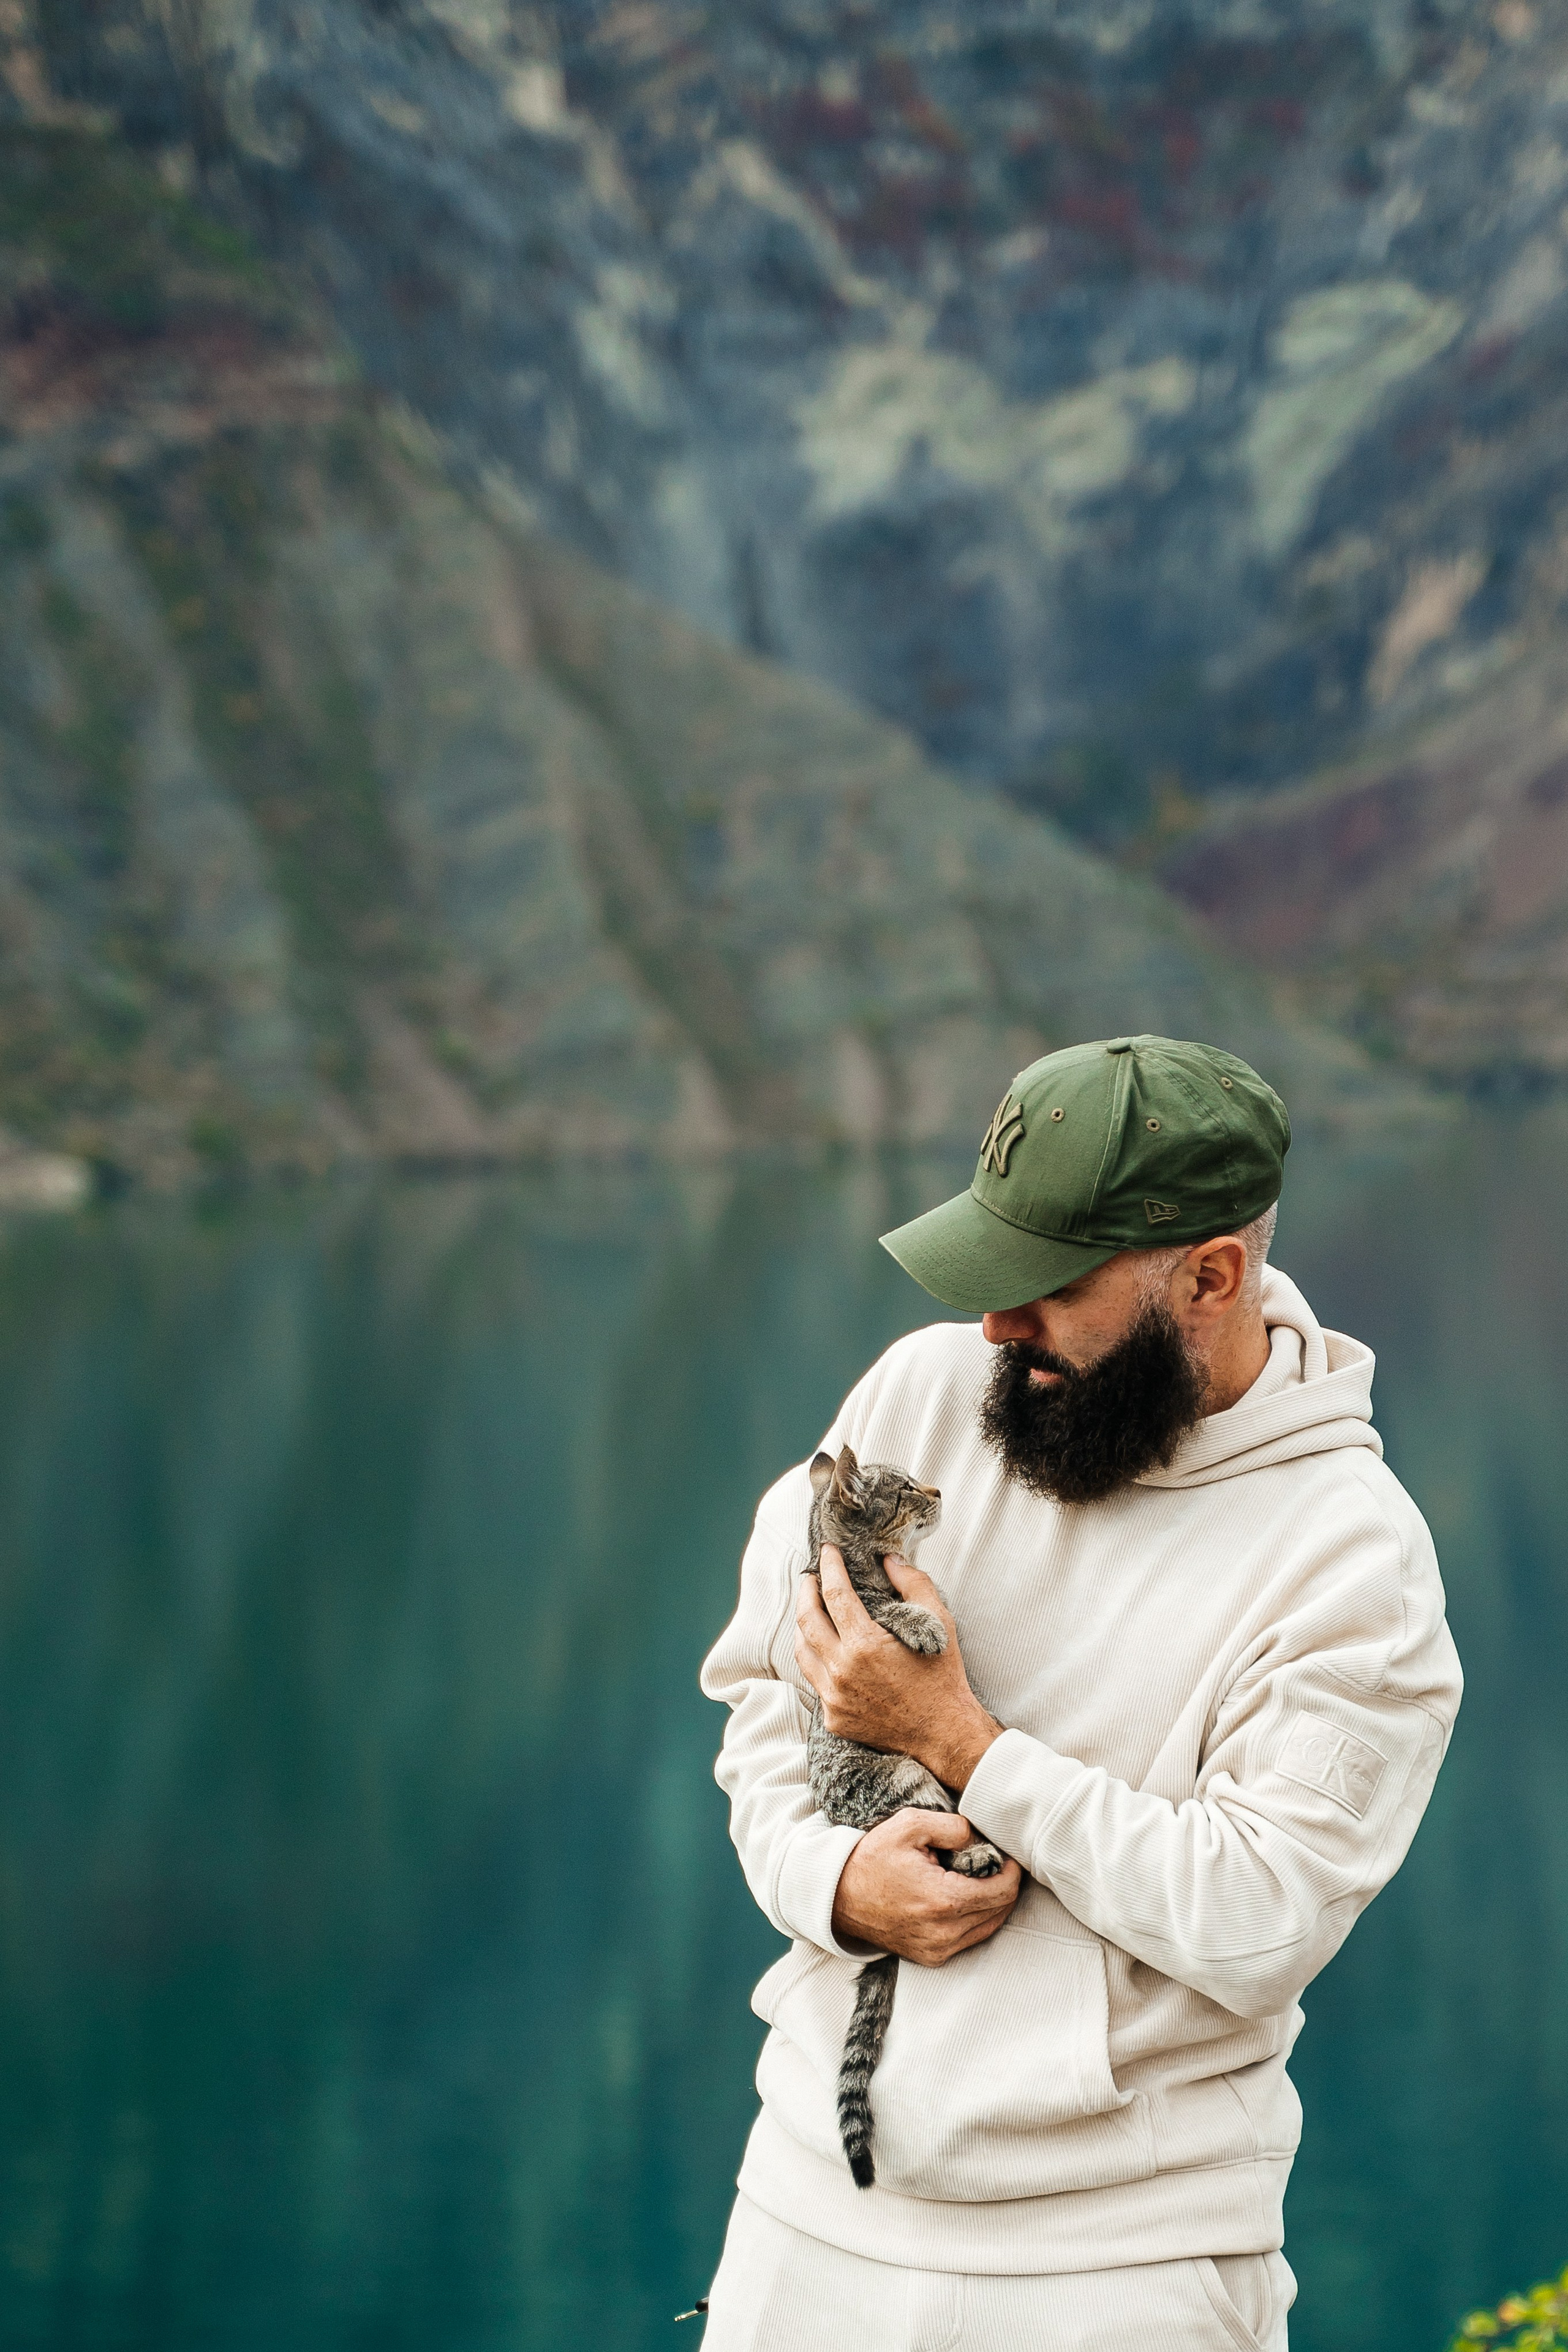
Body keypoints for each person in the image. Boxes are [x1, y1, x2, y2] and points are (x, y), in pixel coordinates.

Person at [698, 1035, 1461, 2351]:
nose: (994, 1324)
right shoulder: (919, 1398)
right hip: (806, 2212)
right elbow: (765, 1697)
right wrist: (832, 1887)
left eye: (1044, 1284)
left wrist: (961, 1744)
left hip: (1119, 2269)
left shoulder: (1351, 1561)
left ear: (1210, 1276)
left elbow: (1254, 1920)